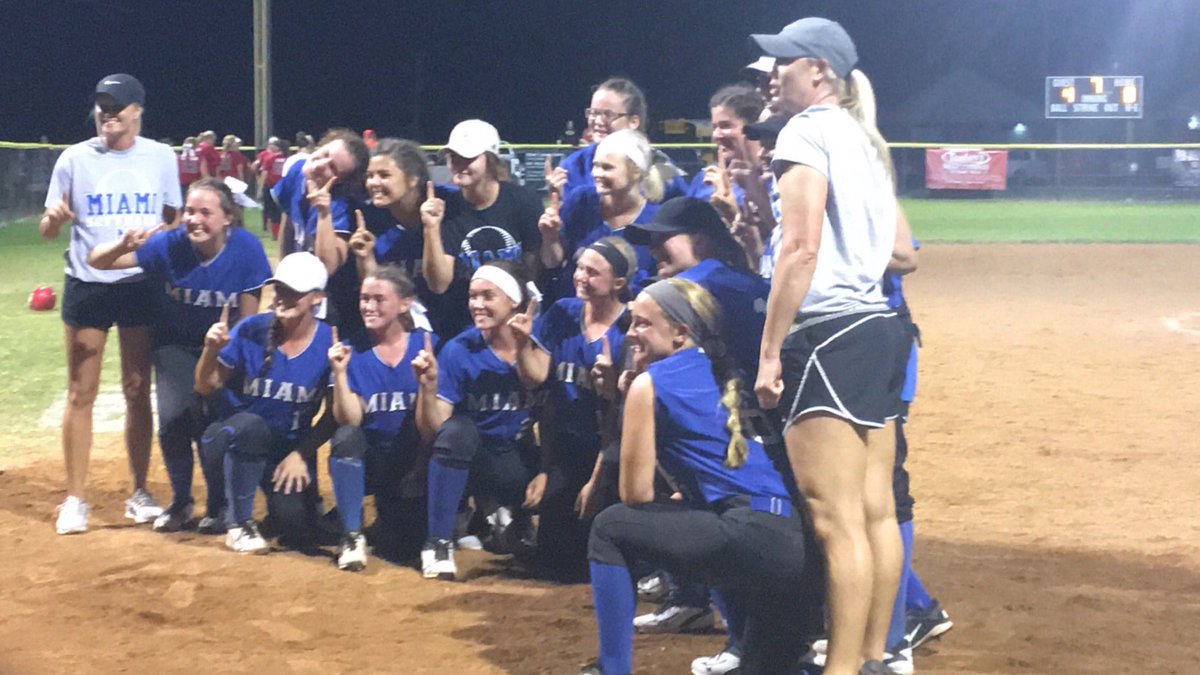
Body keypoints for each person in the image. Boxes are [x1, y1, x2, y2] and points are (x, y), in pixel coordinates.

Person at [750, 18, 914, 675]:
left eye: (781, 62)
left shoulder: (807, 130)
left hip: (826, 334)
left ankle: (841, 669)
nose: (770, 73)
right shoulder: (863, 138)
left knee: (836, 522)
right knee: (875, 514)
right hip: (878, 328)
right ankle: (875, 658)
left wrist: (768, 352)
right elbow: (903, 252)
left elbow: (800, 246)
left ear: (818, 71)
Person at [578, 278, 822, 675]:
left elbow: (635, 494)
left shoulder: (651, 383)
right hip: (798, 550)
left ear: (680, 333)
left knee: (609, 527)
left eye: (642, 324)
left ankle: (612, 668)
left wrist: (629, 400)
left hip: (747, 534)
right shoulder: (739, 372)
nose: (630, 334)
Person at [87, 178, 272, 533]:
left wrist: (225, 358)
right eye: (189, 211)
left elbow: (247, 319)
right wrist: (122, 246)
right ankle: (181, 500)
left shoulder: (246, 248)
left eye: (206, 212)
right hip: (173, 344)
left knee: (210, 423)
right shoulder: (169, 245)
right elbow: (98, 261)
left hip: (222, 347)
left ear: (228, 217)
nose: (194, 219)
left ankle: (218, 504)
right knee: (173, 418)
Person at [40, 73, 181, 534]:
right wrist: (54, 219)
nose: (107, 113)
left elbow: (173, 219)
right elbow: (48, 227)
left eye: (117, 106)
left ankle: (139, 491)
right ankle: (76, 499)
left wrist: (158, 241)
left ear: (138, 110)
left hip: (139, 282)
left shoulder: (160, 157)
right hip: (89, 281)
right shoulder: (75, 159)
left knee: (138, 389)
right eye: (101, 105)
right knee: (81, 391)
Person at [511, 236, 636, 580]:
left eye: (593, 272)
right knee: (553, 561)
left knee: (597, 557)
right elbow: (538, 380)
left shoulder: (631, 329)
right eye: (580, 267)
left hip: (613, 452)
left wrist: (596, 482)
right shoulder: (564, 312)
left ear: (619, 283)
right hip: (568, 445)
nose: (580, 276)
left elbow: (618, 422)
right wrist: (522, 346)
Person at [194, 252, 336, 554]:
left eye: (294, 291)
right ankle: (237, 522)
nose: (282, 297)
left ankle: (278, 508)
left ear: (317, 298)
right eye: (280, 288)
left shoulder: (329, 342)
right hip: (229, 439)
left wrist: (301, 454)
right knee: (252, 426)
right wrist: (210, 350)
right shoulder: (251, 329)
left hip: (285, 452)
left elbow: (333, 415)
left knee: (297, 528)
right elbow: (203, 386)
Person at [411, 260, 543, 575]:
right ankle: (439, 542)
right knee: (456, 432)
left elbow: (550, 414)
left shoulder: (539, 346)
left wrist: (546, 470)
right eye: (472, 296)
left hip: (514, 456)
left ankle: (506, 517)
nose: (476, 305)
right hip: (472, 456)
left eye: (487, 296)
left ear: (514, 301)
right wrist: (427, 389)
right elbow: (434, 430)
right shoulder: (459, 349)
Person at [326, 265, 438, 572]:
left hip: (415, 461)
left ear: (404, 304)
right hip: (373, 460)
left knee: (403, 542)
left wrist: (420, 469)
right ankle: (351, 535)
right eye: (364, 298)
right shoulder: (353, 350)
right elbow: (350, 419)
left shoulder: (428, 346)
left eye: (378, 299)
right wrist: (339, 374)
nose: (368, 306)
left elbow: (435, 424)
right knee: (346, 438)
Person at [422, 120, 542, 338]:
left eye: (468, 158)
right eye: (453, 158)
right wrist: (431, 228)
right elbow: (438, 284)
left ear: (491, 160)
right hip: (464, 323)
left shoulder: (522, 201)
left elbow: (531, 270)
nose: (459, 164)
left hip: (513, 318)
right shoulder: (447, 209)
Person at [349, 137, 460, 337]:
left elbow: (439, 285)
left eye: (384, 175)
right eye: (370, 175)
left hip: (453, 321)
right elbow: (375, 290)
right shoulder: (370, 217)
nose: (374, 183)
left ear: (412, 179)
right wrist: (364, 257)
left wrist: (431, 228)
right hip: (403, 329)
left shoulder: (449, 204)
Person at [538, 129, 663, 303]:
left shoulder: (655, 220)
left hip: (627, 320)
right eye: (595, 166)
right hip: (574, 312)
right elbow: (552, 263)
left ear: (636, 171)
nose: (596, 174)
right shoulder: (582, 201)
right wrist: (550, 237)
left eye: (607, 167)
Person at [272, 128, 369, 333]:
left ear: (340, 181)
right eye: (324, 154)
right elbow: (288, 223)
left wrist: (324, 212)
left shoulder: (339, 203)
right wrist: (283, 276)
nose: (319, 164)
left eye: (332, 167)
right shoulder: (297, 170)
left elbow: (327, 266)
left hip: (332, 298)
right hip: (298, 287)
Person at [548, 78, 689, 201]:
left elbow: (685, 218)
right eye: (593, 113)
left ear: (633, 122)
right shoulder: (573, 166)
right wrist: (559, 200)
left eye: (608, 114)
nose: (598, 121)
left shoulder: (659, 166)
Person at [254, 137, 288, 239]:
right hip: (282, 186)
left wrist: (260, 188)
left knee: (271, 210)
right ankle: (281, 231)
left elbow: (264, 173)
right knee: (281, 210)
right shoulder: (287, 158)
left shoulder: (270, 158)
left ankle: (275, 233)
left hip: (270, 186)